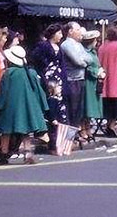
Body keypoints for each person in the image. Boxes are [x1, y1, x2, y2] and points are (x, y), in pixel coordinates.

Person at [0, 45, 48, 165]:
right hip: (27, 106)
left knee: (6, 131)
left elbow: (3, 91)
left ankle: (4, 154)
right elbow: (37, 90)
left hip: (10, 106)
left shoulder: (8, 73)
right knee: (25, 131)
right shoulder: (30, 72)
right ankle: (28, 154)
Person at [31, 23, 68, 152]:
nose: (61, 36)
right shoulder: (44, 45)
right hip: (49, 80)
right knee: (51, 109)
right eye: (59, 33)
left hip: (59, 80)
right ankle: (52, 142)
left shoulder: (59, 47)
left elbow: (62, 64)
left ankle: (60, 142)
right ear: (53, 34)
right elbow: (36, 59)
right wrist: (45, 70)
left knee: (61, 109)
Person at [60, 23, 94, 140]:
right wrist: (83, 61)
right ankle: (69, 136)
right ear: (70, 31)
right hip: (71, 80)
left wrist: (83, 60)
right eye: (78, 29)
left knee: (79, 109)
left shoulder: (78, 45)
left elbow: (90, 58)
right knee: (72, 109)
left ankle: (74, 133)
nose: (80, 32)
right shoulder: (66, 44)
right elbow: (77, 61)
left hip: (80, 78)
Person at [97, 25, 117, 137]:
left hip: (105, 79)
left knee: (107, 105)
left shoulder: (102, 47)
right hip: (116, 78)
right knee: (116, 105)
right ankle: (112, 127)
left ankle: (108, 126)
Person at [81, 30, 104, 139]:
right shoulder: (85, 52)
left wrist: (101, 71)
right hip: (88, 82)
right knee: (87, 106)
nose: (97, 42)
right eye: (95, 40)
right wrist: (96, 73)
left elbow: (97, 64)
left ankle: (88, 127)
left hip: (95, 82)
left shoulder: (93, 52)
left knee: (91, 106)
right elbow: (87, 66)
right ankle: (83, 128)